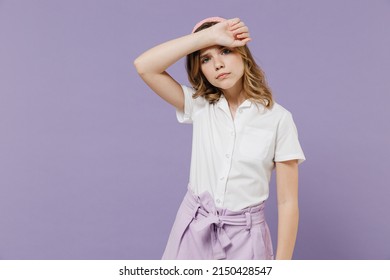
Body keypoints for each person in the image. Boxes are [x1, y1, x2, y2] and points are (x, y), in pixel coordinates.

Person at [134, 16, 305, 260]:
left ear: (243, 54)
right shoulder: (200, 105)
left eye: (225, 51)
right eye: (206, 59)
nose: (218, 64)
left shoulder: (279, 119)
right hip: (193, 228)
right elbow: (144, 65)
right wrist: (208, 36)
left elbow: (288, 202)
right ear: (199, 69)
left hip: (246, 239)